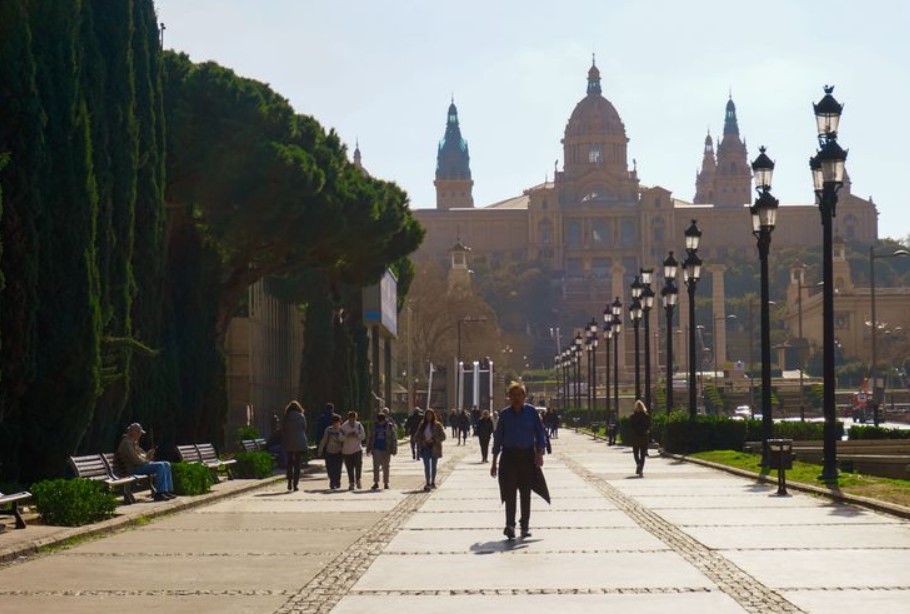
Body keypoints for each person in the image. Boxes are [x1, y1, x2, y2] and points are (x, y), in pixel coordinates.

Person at [491, 382, 548, 539]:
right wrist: (494, 461)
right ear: (509, 397)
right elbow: (498, 438)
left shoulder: (531, 413)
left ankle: (525, 525)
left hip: (527, 457)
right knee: (509, 493)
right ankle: (510, 525)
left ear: (524, 397)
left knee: (525, 492)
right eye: (513, 395)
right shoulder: (505, 415)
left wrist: (540, 452)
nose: (516, 398)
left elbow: (540, 433)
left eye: (519, 395)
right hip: (509, 457)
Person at [117, 423, 176, 501]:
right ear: (134, 432)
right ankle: (160, 493)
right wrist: (147, 460)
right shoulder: (127, 443)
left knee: (166, 464)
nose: (140, 435)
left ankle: (166, 491)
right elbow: (136, 460)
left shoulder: (133, 442)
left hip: (139, 466)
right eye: (139, 433)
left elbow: (141, 455)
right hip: (133, 469)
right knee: (160, 466)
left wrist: (148, 455)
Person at [367, 410, 398, 490]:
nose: (381, 422)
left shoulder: (389, 426)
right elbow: (370, 438)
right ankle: (376, 482)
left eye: (382, 421)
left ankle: (386, 483)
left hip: (386, 448)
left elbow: (394, 438)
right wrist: (368, 448)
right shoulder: (374, 427)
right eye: (379, 421)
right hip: (376, 448)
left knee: (386, 467)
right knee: (376, 466)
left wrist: (394, 449)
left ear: (385, 420)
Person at [281, 400, 308, 491]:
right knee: (297, 464)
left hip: (289, 441)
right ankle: (295, 484)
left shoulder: (286, 417)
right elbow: (304, 427)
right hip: (299, 441)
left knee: (289, 463)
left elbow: (283, 428)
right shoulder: (301, 416)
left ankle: (289, 482)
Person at [417, 408, 446, 491]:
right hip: (425, 447)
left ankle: (433, 481)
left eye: (430, 415)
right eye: (427, 415)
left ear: (433, 416)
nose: (429, 417)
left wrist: (434, 440)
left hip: (434, 447)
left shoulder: (437, 425)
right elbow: (417, 436)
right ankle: (427, 482)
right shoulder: (422, 425)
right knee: (427, 466)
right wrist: (422, 441)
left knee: (434, 466)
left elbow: (443, 437)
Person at [317, 413, 344, 489]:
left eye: (337, 422)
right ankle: (332, 480)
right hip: (329, 451)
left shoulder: (342, 430)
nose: (336, 424)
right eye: (334, 422)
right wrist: (320, 450)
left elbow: (344, 440)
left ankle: (337, 482)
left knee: (338, 468)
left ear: (340, 422)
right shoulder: (328, 430)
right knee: (330, 468)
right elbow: (324, 440)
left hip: (339, 452)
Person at [340, 411, 365, 490]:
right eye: (351, 419)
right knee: (349, 467)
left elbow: (363, 436)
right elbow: (340, 438)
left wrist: (357, 435)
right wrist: (347, 435)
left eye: (354, 419)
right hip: (347, 450)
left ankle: (358, 480)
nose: (352, 421)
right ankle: (351, 483)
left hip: (357, 449)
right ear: (348, 418)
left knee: (358, 466)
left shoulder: (359, 425)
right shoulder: (343, 427)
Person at [628, 400, 652, 476]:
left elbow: (631, 427)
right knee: (642, 454)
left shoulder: (632, 416)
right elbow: (649, 426)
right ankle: (641, 469)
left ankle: (638, 463)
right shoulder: (647, 416)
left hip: (636, 437)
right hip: (644, 437)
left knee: (635, 453)